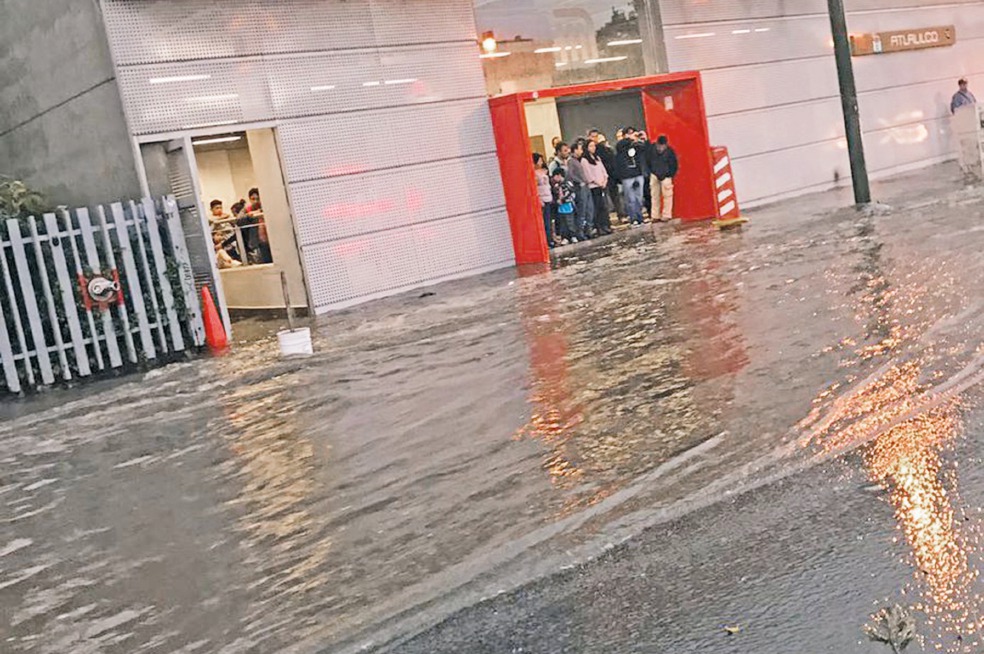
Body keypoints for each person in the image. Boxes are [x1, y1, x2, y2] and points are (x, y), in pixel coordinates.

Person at [614, 127, 647, 226]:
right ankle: (633, 218)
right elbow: (620, 146)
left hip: (638, 173)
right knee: (630, 199)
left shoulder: (637, 145)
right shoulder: (622, 146)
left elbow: (644, 148)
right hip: (627, 175)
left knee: (639, 198)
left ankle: (640, 217)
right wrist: (630, 139)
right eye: (629, 134)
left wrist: (641, 138)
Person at [648, 134, 679, 222]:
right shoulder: (669, 151)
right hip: (663, 176)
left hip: (658, 175)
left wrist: (652, 171)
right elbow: (674, 164)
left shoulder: (651, 149)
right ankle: (665, 215)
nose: (661, 148)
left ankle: (656, 215)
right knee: (665, 196)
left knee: (655, 196)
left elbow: (647, 161)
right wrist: (670, 174)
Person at [584, 140, 611, 235]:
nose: (593, 148)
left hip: (602, 185)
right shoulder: (585, 160)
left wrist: (604, 181)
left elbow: (603, 171)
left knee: (604, 207)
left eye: (594, 146)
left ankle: (606, 225)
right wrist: (598, 182)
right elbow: (588, 175)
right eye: (591, 146)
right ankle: (599, 227)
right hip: (593, 187)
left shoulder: (597, 158)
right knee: (597, 207)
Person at [567, 139, 592, 240]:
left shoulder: (578, 161)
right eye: (580, 149)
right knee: (582, 210)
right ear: (575, 150)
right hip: (580, 188)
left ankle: (588, 229)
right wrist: (579, 181)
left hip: (585, 186)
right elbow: (570, 174)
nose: (581, 151)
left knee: (589, 209)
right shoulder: (571, 161)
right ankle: (580, 232)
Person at [534, 153, 556, 248]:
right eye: (539, 160)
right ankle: (547, 241)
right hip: (542, 198)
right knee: (545, 221)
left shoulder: (544, 171)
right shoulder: (534, 173)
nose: (541, 162)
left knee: (549, 220)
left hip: (548, 196)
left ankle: (550, 239)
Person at [551, 168, 577, 245]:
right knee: (563, 223)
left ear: (559, 175)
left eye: (555, 176)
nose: (554, 178)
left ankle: (573, 236)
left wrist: (563, 200)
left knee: (570, 221)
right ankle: (565, 237)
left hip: (568, 205)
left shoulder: (568, 184)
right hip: (560, 207)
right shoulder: (556, 186)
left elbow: (571, 193)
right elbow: (555, 194)